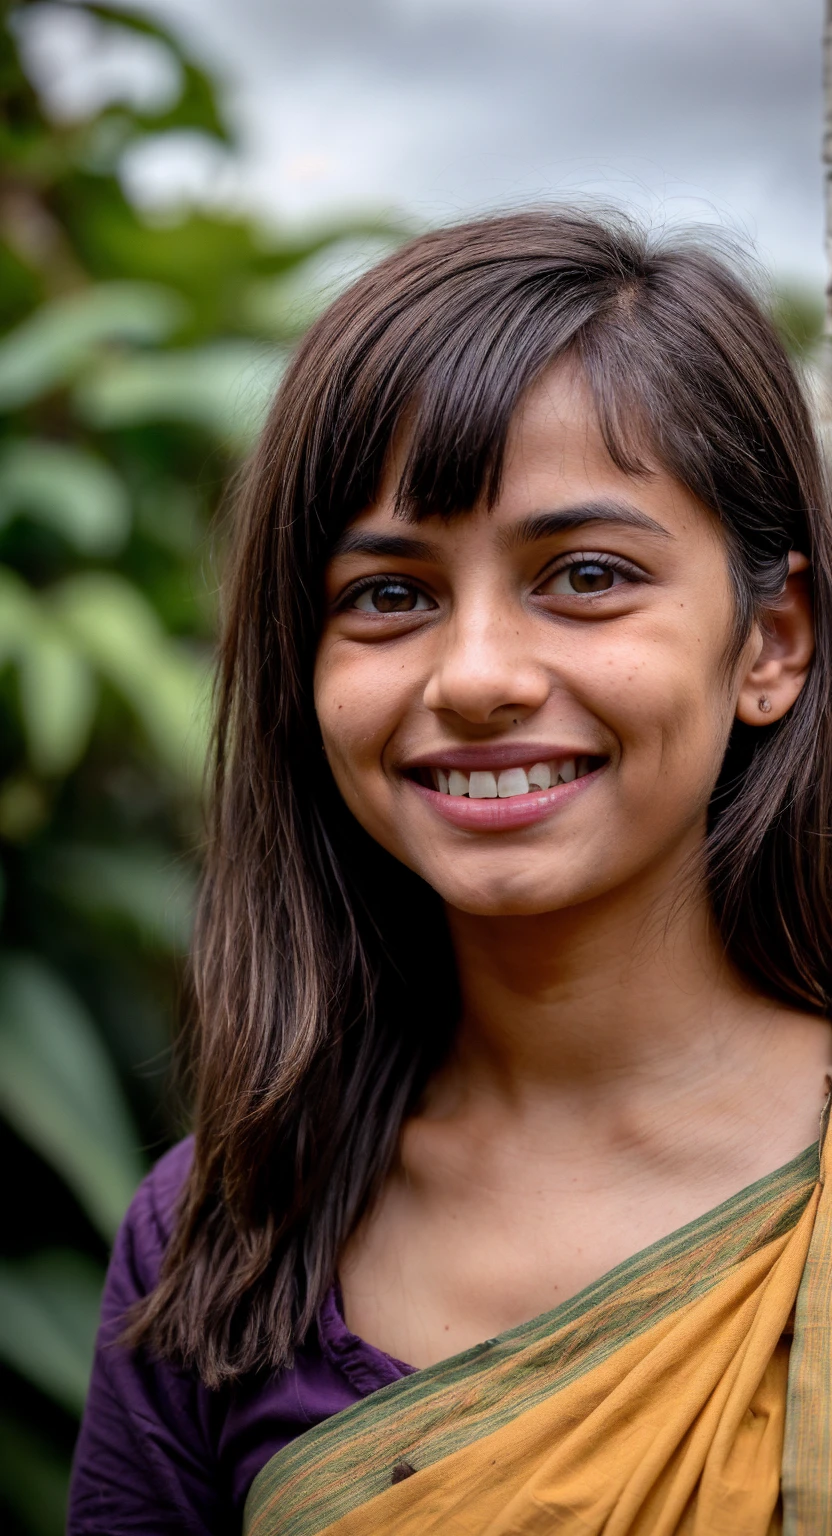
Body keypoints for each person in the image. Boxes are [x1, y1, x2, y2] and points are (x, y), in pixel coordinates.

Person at [68, 209, 832, 1536]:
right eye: (389, 595)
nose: (476, 677)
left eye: (585, 577)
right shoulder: (225, 1233)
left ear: (771, 642)